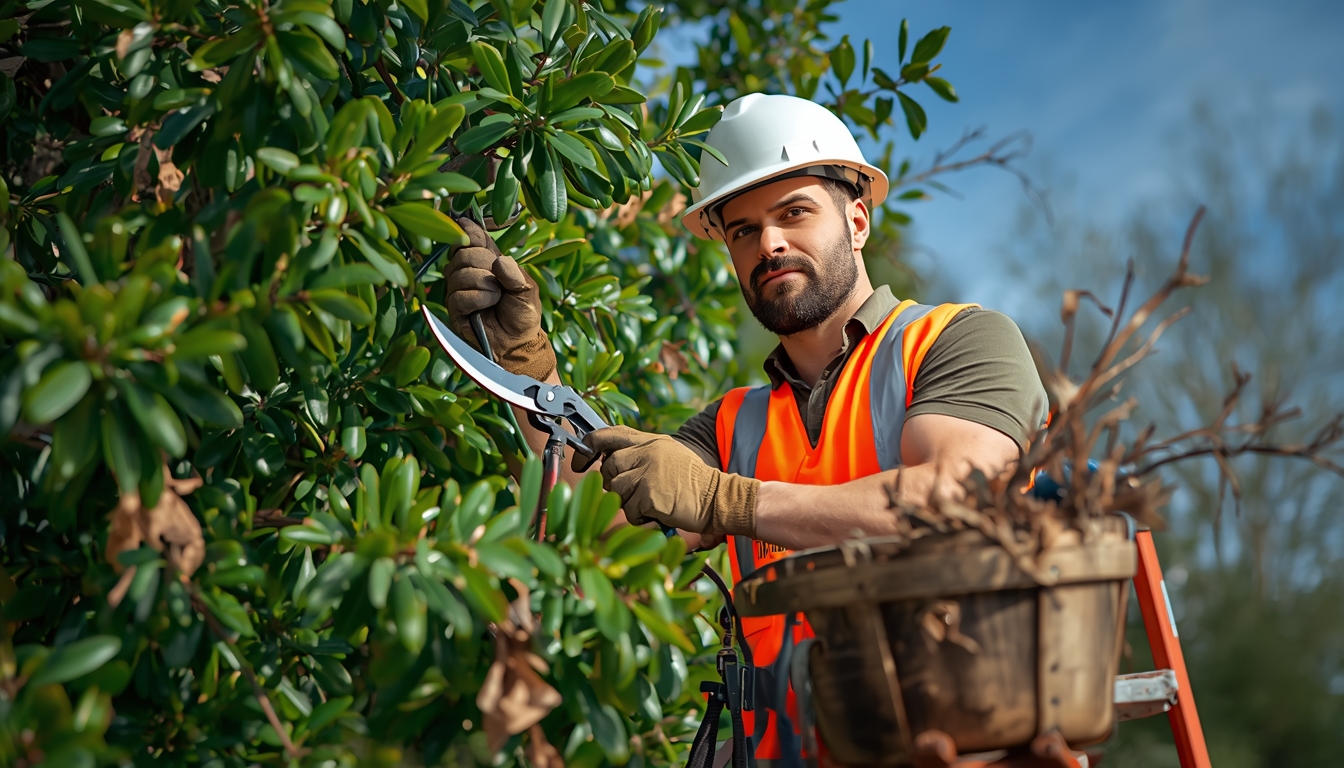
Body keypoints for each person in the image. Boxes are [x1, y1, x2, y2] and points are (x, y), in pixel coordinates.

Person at [444, 93, 1048, 766]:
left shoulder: (958, 342)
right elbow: (602, 524)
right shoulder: (737, 424)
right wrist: (528, 367)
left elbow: (949, 502)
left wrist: (730, 501)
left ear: (856, 221)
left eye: (794, 213)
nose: (770, 244)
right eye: (743, 230)